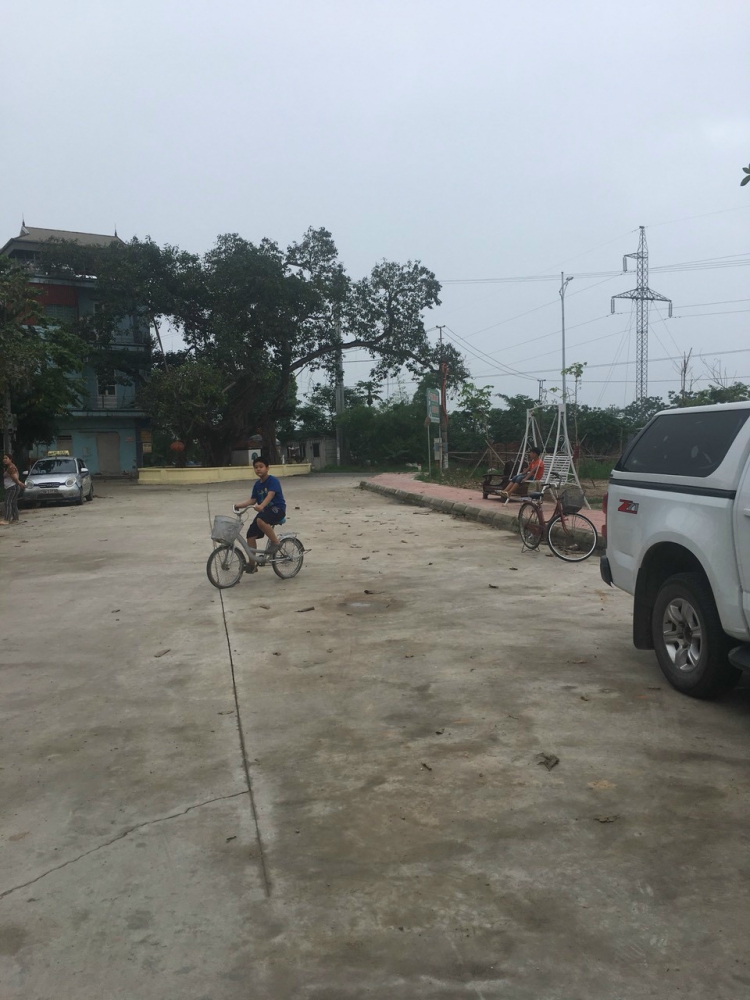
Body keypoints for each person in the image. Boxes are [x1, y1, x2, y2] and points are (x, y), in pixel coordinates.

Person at [234, 458, 287, 571]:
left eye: (261, 466)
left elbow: (270, 495)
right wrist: (238, 505)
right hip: (265, 512)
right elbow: (253, 500)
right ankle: (252, 564)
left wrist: (262, 506)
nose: (258, 469)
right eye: (256, 467)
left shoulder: (273, 481)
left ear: (267, 468)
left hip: (277, 509)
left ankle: (276, 543)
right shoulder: (257, 485)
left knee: (260, 520)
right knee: (250, 535)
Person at [2, 453, 25, 525]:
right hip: (13, 487)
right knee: (13, 503)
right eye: (4, 458)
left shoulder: (11, 467)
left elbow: (14, 478)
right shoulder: (10, 467)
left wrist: (20, 483)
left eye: (6, 458)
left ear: (10, 459)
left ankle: (7, 519)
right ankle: (15, 518)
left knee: (8, 502)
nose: (4, 460)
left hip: (11, 487)